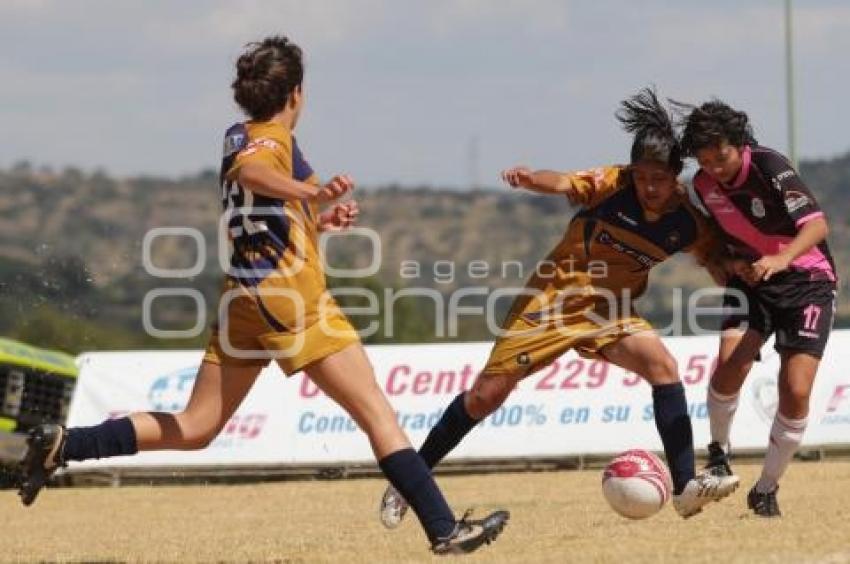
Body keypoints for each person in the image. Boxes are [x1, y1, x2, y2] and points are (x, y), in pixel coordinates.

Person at [16, 35, 508, 555]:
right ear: (296, 93)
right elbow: (254, 172)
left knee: (195, 425)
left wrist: (319, 218)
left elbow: (264, 199)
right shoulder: (268, 143)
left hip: (244, 301)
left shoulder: (238, 134)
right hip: (290, 298)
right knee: (377, 414)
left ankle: (67, 444)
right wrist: (311, 194)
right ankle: (444, 530)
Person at [379, 88, 740, 528]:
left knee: (662, 365)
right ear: (631, 171)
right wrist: (532, 180)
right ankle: (408, 482)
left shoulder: (686, 221)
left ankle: (685, 487)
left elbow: (714, 259)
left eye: (659, 179)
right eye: (642, 176)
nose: (649, 187)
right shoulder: (612, 185)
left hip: (607, 312)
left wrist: (745, 279)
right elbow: (565, 182)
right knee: (484, 397)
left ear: (675, 177)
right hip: (551, 304)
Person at [678, 99, 837, 517]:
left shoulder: (769, 165)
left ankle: (765, 488)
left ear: (740, 144)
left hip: (807, 282)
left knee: (795, 390)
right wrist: (725, 264)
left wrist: (783, 259)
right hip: (751, 282)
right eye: (705, 160)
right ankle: (718, 452)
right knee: (731, 364)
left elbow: (818, 225)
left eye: (722, 156)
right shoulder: (702, 186)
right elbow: (715, 241)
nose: (715, 167)